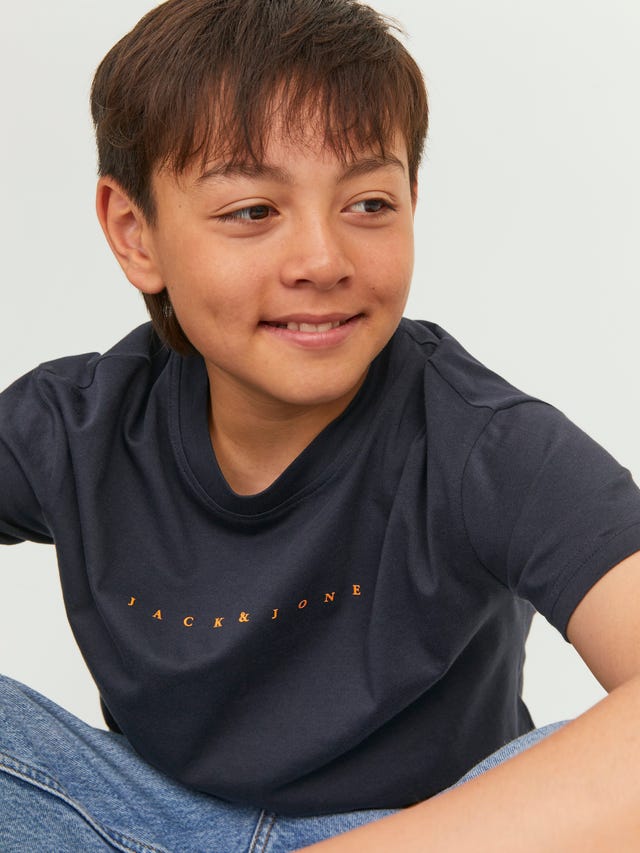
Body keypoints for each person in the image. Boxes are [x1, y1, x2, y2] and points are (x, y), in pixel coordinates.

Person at [1, 0, 639, 850]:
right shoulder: (74, 425)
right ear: (135, 232)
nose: (323, 261)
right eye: (252, 211)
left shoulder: (487, 444)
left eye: (368, 204)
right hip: (141, 826)